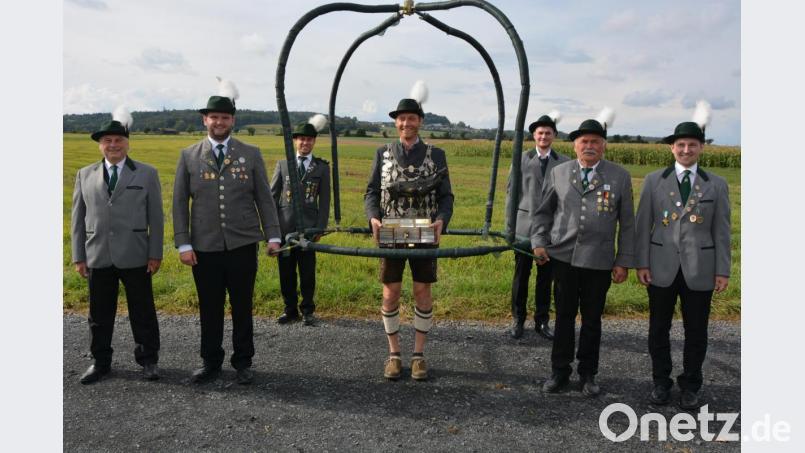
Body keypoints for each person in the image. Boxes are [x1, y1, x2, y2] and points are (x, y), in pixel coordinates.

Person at [173, 78, 281, 384]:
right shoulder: (189, 156)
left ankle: (243, 361)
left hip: (242, 243)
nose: (219, 122)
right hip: (204, 247)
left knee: (242, 305)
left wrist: (273, 235)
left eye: (224, 117)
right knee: (209, 307)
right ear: (205, 120)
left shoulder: (251, 153)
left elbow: (264, 198)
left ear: (233, 120)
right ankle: (210, 362)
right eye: (213, 117)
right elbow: (180, 204)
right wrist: (183, 243)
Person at [530, 108, 635, 396]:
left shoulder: (619, 176)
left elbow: (627, 224)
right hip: (563, 258)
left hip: (599, 262)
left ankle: (588, 374)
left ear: (604, 146)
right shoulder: (559, 173)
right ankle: (559, 371)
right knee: (563, 317)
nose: (589, 146)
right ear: (574, 145)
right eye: (583, 142)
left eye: (595, 142)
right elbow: (543, 214)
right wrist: (539, 241)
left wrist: (624, 261)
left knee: (592, 320)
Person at [635, 101, 730, 410]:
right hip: (661, 267)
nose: (686, 149)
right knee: (658, 328)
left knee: (696, 331)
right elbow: (642, 226)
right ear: (671, 148)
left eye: (692, 144)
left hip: (700, 268)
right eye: (680, 144)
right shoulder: (654, 181)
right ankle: (661, 382)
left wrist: (723, 270)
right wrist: (642, 263)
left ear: (701, 148)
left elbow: (721, 230)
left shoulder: (716, 184)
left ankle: (691, 384)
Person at [364, 81, 454, 380]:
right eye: (401, 118)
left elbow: (446, 196)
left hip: (424, 232)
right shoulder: (383, 153)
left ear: (420, 122)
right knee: (390, 294)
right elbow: (371, 193)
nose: (406, 123)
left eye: (411, 118)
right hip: (390, 231)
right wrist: (373, 218)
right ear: (395, 122)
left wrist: (442, 219)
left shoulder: (435, 154)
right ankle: (393, 354)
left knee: (421, 291)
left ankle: (418, 355)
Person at [71, 107, 163, 384]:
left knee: (142, 311)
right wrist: (79, 256)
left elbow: (156, 218)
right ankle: (100, 362)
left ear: (127, 143)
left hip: (136, 253)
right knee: (98, 314)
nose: (113, 145)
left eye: (118, 140)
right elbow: (77, 219)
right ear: (100, 145)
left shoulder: (146, 173)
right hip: (97, 254)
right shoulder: (84, 175)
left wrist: (155, 252)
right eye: (107, 141)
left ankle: (148, 360)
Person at [505, 111, 569, 339]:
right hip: (524, 228)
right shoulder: (520, 159)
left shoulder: (563, 163)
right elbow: (511, 195)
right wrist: (509, 228)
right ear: (534, 135)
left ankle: (542, 321)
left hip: (551, 231)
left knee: (546, 278)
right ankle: (517, 320)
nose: (544, 136)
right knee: (521, 276)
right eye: (540, 132)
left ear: (554, 136)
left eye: (548, 133)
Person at [270, 114, 331, 326]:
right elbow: (272, 197)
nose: (305, 143)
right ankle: (290, 310)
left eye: (309, 139)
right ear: (295, 141)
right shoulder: (283, 165)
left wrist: (320, 228)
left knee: (307, 273)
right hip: (285, 230)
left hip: (308, 230)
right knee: (286, 273)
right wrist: (271, 230)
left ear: (314, 141)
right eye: (301, 139)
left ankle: (307, 311)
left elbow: (324, 201)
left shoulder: (322, 167)